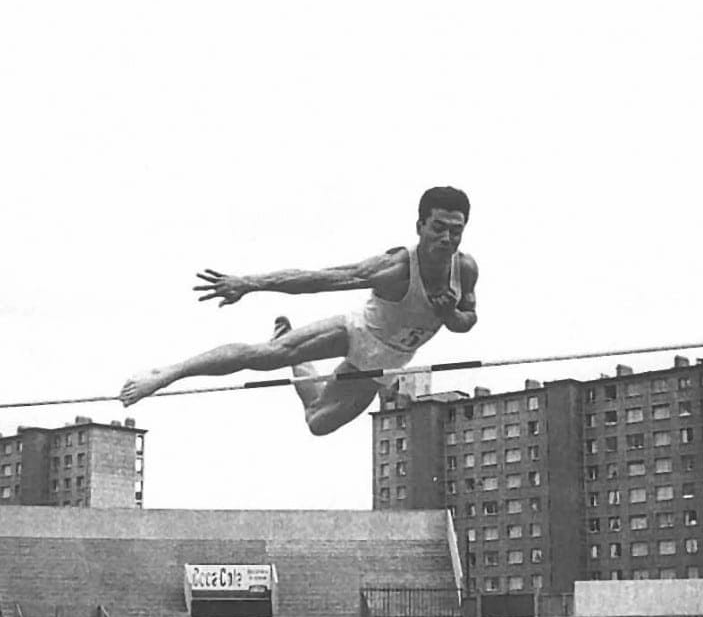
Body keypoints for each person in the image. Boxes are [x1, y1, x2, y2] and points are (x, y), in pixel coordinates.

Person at [120, 186, 478, 435]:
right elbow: (319, 279)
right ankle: (166, 373)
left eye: (455, 231)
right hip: (358, 332)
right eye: (438, 229)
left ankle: (291, 349)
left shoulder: (465, 270)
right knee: (263, 357)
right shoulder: (396, 269)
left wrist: (448, 314)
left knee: (317, 422)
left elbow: (467, 321)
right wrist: (250, 283)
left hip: (387, 361)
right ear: (420, 227)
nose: (446, 239)